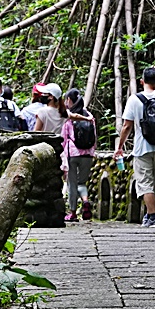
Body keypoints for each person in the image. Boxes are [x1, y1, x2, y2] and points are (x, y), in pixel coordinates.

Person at [114, 67, 155, 227]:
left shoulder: (135, 99)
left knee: (145, 181)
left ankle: (153, 216)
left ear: (142, 82)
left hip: (142, 147)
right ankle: (149, 214)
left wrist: (119, 146)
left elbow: (127, 126)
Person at [60, 88, 97, 222]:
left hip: (73, 154)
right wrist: (92, 151)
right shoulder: (89, 115)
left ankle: (73, 213)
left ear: (69, 100)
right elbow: (95, 138)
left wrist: (62, 159)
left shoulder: (68, 118)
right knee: (82, 182)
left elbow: (64, 140)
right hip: (88, 154)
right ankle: (85, 201)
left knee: (72, 184)